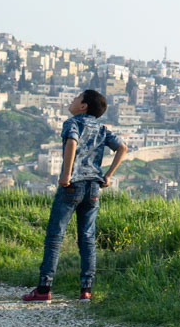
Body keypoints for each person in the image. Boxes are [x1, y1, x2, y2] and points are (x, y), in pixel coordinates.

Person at [23, 89, 129, 302]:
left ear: (84, 106)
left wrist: (66, 174)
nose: (72, 100)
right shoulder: (102, 128)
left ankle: (44, 289)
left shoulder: (73, 123)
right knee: (87, 238)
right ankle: (86, 290)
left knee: (55, 236)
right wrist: (107, 176)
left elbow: (71, 142)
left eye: (76, 97)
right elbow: (122, 148)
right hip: (93, 189)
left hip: (72, 185)